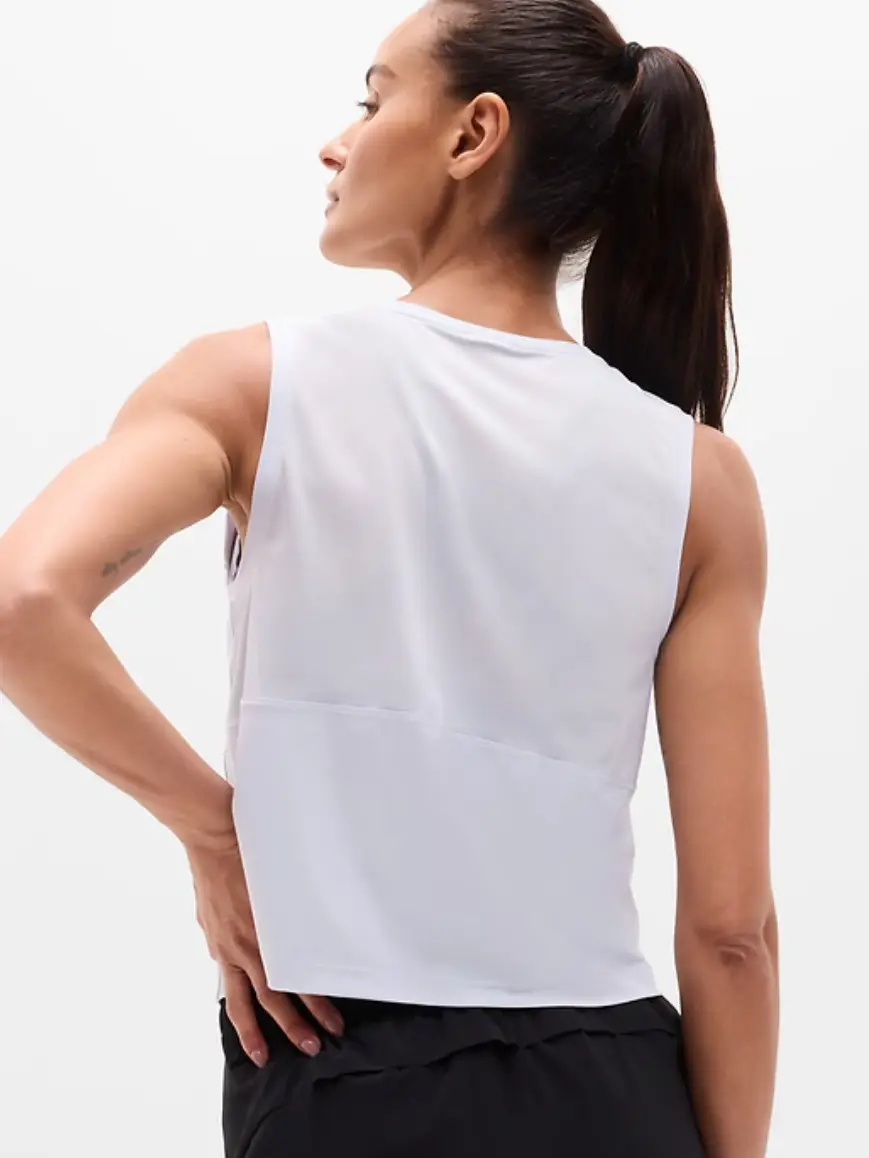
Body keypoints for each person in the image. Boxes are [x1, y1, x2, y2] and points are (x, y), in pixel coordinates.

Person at [0, 1, 779, 1156]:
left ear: (473, 135)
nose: (337, 142)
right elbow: (730, 932)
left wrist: (216, 835)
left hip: (343, 1074)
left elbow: (24, 602)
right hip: (613, 1085)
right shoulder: (698, 479)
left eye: (371, 100)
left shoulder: (252, 386)